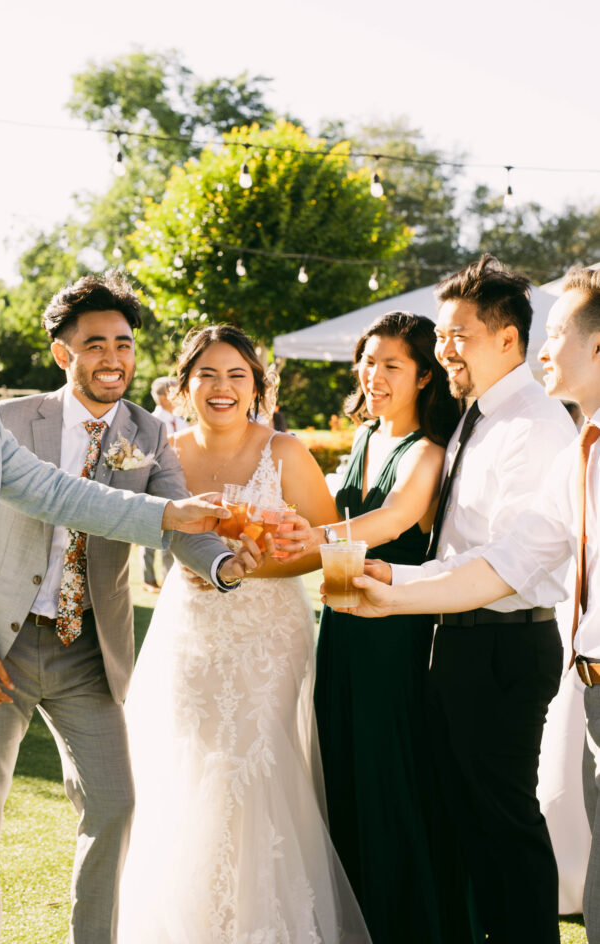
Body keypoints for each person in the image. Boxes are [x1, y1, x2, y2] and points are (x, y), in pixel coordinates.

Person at [0, 230, 253, 933]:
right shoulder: (4, 414)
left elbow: (105, 504)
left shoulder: (134, 432)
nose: (113, 358)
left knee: (102, 805)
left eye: (124, 343)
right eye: (95, 343)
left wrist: (198, 539)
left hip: (26, 655)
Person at [324, 256, 577, 944]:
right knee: (466, 825)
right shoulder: (476, 417)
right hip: (459, 638)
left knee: (503, 828)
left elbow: (501, 563)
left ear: (506, 339)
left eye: (457, 335)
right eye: (441, 335)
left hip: (502, 642)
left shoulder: (534, 426)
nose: (444, 349)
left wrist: (393, 587)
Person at [118, 324, 372, 943]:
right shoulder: (164, 452)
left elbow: (327, 543)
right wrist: (203, 562)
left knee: (253, 763)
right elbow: (141, 527)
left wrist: (259, 561)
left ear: (257, 386)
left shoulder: (283, 452)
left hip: (267, 634)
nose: (222, 386)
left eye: (237, 374)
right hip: (191, 631)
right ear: (184, 386)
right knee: (190, 762)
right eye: (207, 374)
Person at [281, 311, 464, 942]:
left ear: (423, 376)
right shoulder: (363, 440)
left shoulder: (431, 452)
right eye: (368, 360)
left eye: (392, 364)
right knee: (341, 769)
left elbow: (390, 522)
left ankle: (399, 922)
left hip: (392, 637)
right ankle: (349, 915)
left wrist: (307, 536)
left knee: (386, 776)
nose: (374, 374)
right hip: (340, 630)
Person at [142, 376, 187, 591]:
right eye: (175, 391)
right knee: (150, 533)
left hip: (179, 482)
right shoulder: (152, 422)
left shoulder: (182, 420)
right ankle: (148, 579)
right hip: (154, 483)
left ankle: (169, 579)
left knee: (173, 532)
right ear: (163, 396)